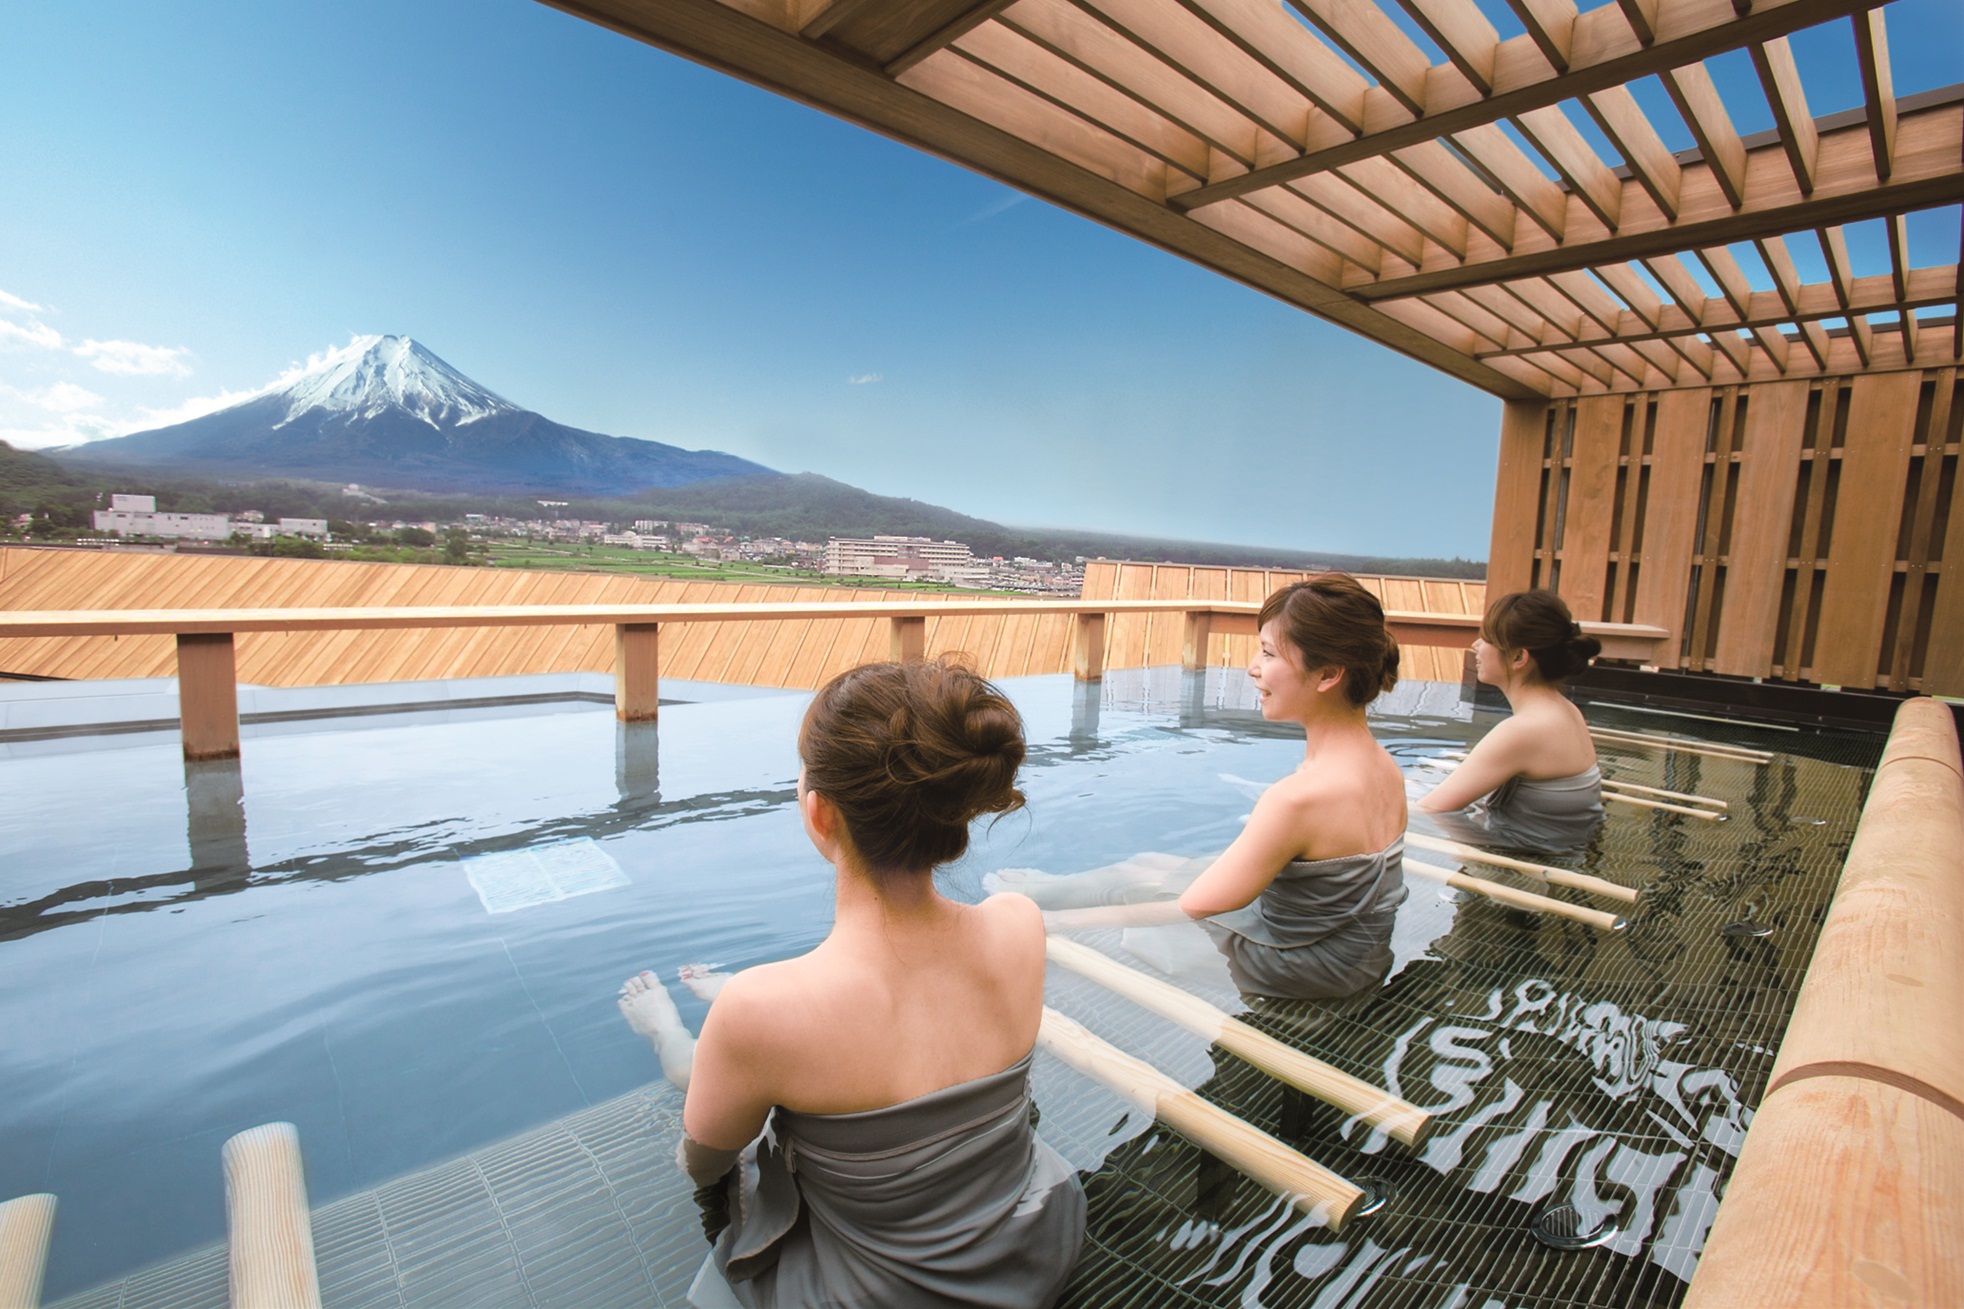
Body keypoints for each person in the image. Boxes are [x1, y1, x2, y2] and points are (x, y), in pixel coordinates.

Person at [616, 657, 1084, 1309]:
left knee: (707, 1066)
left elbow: (706, 1161)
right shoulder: (1020, 924)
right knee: (761, 1027)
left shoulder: (757, 1010)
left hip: (885, 1293)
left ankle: (667, 1028)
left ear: (819, 813)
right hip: (1033, 1245)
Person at [1176, 574, 1410, 999]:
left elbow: (1192, 908)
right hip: (1361, 966)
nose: (1253, 667)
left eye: (1267, 653)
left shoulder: (1297, 798)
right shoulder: (1386, 768)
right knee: (1152, 870)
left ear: (1328, 674)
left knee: (1131, 906)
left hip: (1295, 975)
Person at [1416, 589, 1604, 851]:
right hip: (1561, 855)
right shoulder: (1566, 710)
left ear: (1518, 657)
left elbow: (1432, 809)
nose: (1476, 645)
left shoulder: (1525, 731)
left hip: (1522, 870)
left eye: (1487, 638)